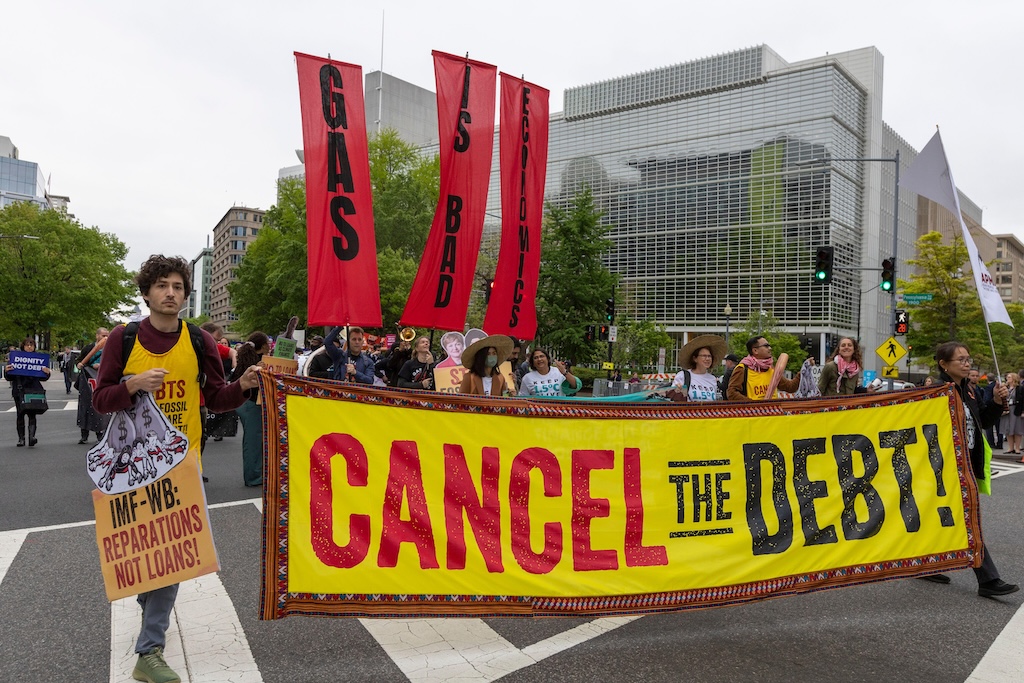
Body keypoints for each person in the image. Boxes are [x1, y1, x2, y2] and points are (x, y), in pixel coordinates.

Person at [92, 254, 261, 683]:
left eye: (178, 287)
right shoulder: (124, 337)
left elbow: (217, 398)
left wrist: (241, 386)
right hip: (131, 468)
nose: (171, 293)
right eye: (163, 286)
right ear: (147, 292)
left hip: (183, 467)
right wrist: (131, 386)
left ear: (187, 295)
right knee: (151, 556)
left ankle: (148, 651)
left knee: (172, 560)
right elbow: (100, 399)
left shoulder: (200, 340)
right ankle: (150, 613)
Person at [918, 341, 1018, 597]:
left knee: (939, 517)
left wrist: (996, 401)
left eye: (967, 359)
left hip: (966, 464)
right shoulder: (938, 391)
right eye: (960, 360)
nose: (966, 363)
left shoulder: (970, 390)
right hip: (944, 466)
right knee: (968, 521)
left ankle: (925, 565)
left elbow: (984, 421)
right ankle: (988, 579)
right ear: (943, 364)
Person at [233, 332, 270, 487]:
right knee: (253, 441)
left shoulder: (247, 360)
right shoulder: (255, 364)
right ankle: (253, 476)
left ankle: (256, 473)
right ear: (262, 346)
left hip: (246, 404)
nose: (270, 346)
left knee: (254, 439)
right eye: (267, 343)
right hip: (251, 404)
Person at [5, 338, 50, 447]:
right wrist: (6, 371)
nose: (29, 347)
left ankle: (31, 437)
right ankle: (21, 439)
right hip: (19, 390)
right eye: (27, 345)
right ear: (23, 346)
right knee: (20, 414)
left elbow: (43, 378)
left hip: (33, 389)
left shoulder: (39, 359)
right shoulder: (16, 358)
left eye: (31, 345)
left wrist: (47, 373)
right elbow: (9, 377)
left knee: (32, 414)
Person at [727, 336, 799, 401]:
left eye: (769, 346)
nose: (770, 348)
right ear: (755, 351)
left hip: (773, 413)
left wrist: (804, 370)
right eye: (766, 346)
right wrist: (752, 405)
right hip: (753, 414)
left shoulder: (771, 369)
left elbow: (790, 387)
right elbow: (731, 393)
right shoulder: (742, 368)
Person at [75, 327, 110, 444]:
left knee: (100, 407)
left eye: (107, 335)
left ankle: (100, 433)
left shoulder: (111, 348)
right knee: (85, 406)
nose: (105, 338)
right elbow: (79, 362)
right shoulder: (89, 348)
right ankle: (84, 434)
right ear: (97, 336)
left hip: (103, 382)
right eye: (103, 335)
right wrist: (84, 366)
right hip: (89, 382)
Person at [672, 335, 727, 402]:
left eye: (709, 356)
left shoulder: (712, 379)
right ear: (695, 359)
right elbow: (673, 398)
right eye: (704, 356)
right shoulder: (683, 376)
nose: (707, 359)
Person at [999, 372, 1023, 456]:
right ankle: (1010, 447)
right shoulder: (1005, 388)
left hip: (1016, 410)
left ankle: (1017, 448)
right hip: (1007, 410)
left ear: (1014, 378)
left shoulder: (1020, 388)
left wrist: (1023, 411)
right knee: (1007, 429)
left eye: (1009, 377)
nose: (1007, 379)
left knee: (1017, 429)